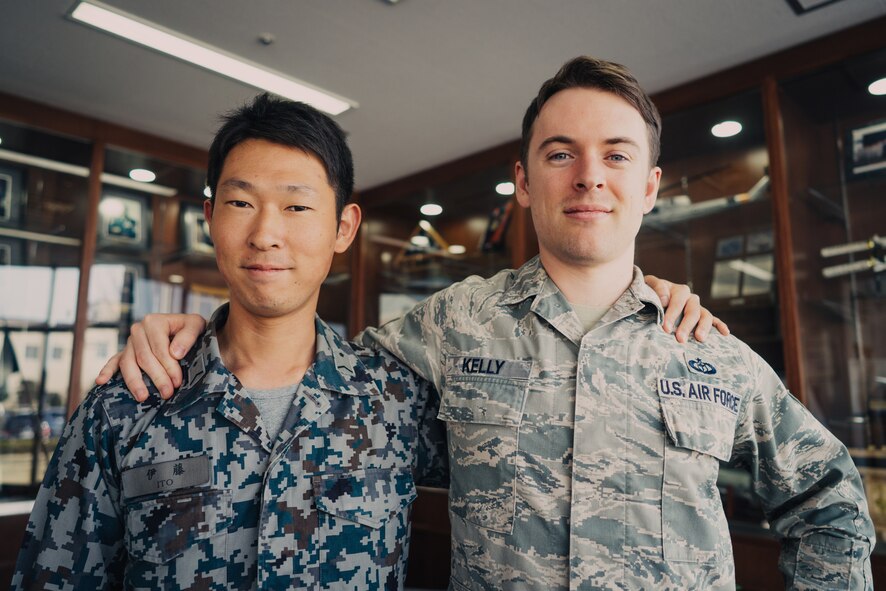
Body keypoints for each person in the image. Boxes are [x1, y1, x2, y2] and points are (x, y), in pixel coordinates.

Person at [100, 56, 876, 590]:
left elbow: (831, 499)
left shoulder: (705, 346)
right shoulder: (451, 324)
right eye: (561, 153)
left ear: (650, 186)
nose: (590, 176)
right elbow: (301, 363)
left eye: (616, 155)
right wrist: (196, 333)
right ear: (524, 181)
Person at [12, 94, 449, 590]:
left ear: (343, 228)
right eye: (241, 202)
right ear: (210, 217)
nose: (265, 234)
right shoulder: (124, 404)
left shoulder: (398, 402)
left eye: (297, 205)